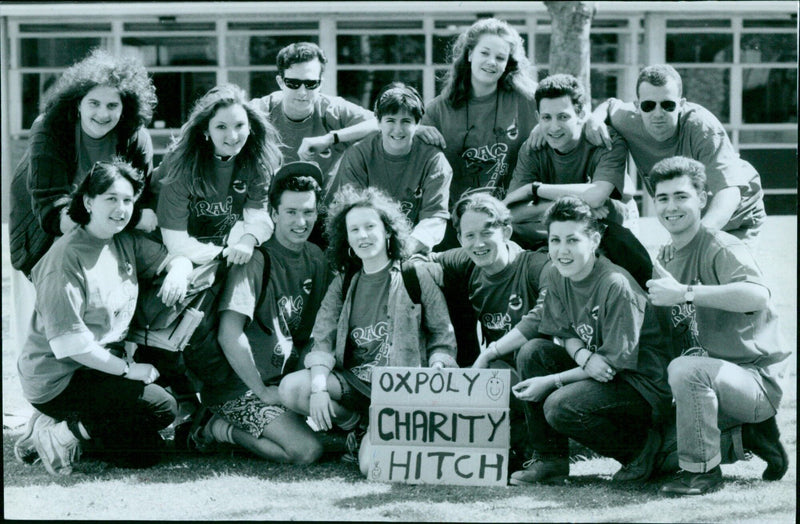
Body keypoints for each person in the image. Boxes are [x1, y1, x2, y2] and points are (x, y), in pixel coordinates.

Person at [14, 160, 192, 475]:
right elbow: (72, 346)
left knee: (151, 437)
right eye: (110, 198)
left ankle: (71, 430)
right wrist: (128, 370)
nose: (121, 208)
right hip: (59, 378)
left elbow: (173, 259)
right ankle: (56, 432)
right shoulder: (64, 259)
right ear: (87, 201)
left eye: (127, 200)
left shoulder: (123, 238)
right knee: (154, 425)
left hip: (97, 367)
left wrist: (179, 269)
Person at [278, 186, 457, 463]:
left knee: (371, 465)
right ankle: (355, 427)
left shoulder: (414, 274)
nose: (363, 236)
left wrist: (435, 371)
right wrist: (319, 389)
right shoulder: (344, 282)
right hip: (355, 385)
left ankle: (373, 434)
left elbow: (442, 336)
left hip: (401, 387)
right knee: (292, 388)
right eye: (355, 230)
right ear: (346, 239)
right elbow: (322, 338)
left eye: (370, 226)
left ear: (387, 231)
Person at [645, 156, 789, 495]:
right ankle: (748, 437)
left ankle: (703, 474)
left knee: (685, 369)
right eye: (663, 198)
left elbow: (756, 296)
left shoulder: (721, 245)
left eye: (681, 196)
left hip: (754, 380)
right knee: (657, 458)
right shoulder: (665, 257)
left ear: (702, 198)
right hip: (708, 384)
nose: (671, 206)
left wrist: (686, 292)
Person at [508, 196, 672, 486]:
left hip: (640, 384)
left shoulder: (615, 284)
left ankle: (641, 451)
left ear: (594, 240)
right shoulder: (559, 276)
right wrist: (583, 356)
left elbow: (611, 365)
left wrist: (550, 381)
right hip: (600, 368)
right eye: (555, 240)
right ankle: (550, 461)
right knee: (532, 352)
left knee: (560, 406)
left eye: (572, 240)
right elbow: (563, 332)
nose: (561, 251)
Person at [9, 48, 158, 355]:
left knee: (110, 298)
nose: (102, 114)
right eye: (94, 103)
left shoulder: (135, 135)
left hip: (100, 221)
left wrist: (125, 217)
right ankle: (47, 384)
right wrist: (124, 217)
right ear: (77, 103)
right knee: (53, 305)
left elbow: (139, 200)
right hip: (44, 225)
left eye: (112, 105)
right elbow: (54, 211)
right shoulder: (50, 128)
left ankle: (109, 364)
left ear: (125, 107)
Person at [184, 161, 332, 463]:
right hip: (241, 386)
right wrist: (263, 392)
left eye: (308, 212)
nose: (301, 221)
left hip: (283, 381)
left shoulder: (316, 258)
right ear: (274, 214)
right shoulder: (255, 260)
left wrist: (308, 385)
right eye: (291, 212)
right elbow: (229, 335)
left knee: (328, 429)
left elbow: (311, 333)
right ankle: (215, 427)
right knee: (307, 451)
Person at [411, 192, 550, 470]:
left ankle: (545, 449)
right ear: (460, 239)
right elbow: (413, 261)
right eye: (469, 236)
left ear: (506, 231)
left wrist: (490, 353)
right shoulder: (466, 261)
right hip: (500, 374)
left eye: (487, 232)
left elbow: (543, 314)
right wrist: (425, 268)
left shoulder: (535, 265)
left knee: (524, 355)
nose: (479, 243)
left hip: (547, 371)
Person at [582, 64, 766, 246]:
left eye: (668, 105)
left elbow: (729, 193)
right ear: (638, 106)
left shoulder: (703, 128)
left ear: (681, 104)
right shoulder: (627, 119)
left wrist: (696, 239)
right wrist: (594, 118)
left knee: (727, 272)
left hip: (737, 216)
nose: (658, 113)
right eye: (649, 106)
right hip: (690, 222)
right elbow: (610, 105)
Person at [502, 73, 652, 289]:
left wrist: (534, 189)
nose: (554, 127)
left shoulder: (605, 139)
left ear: (581, 113)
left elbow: (598, 195)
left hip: (609, 225)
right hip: (560, 226)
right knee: (508, 238)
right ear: (537, 117)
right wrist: (576, 206)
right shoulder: (533, 147)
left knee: (625, 251)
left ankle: (650, 305)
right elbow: (510, 213)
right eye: (546, 118)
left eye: (563, 117)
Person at [416, 17, 538, 250]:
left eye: (500, 58)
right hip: (459, 226)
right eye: (485, 53)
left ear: (508, 64)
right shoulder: (439, 109)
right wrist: (416, 130)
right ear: (469, 54)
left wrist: (593, 122)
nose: (492, 62)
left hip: (512, 222)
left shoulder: (527, 99)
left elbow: (569, 111)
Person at [156, 83, 281, 266]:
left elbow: (258, 217)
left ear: (250, 126)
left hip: (214, 250)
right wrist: (223, 254)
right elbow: (175, 241)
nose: (232, 136)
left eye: (239, 125)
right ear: (206, 129)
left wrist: (248, 240)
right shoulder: (181, 163)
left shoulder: (256, 163)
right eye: (221, 127)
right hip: (165, 252)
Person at [332, 82, 452, 254]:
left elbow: (434, 216)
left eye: (406, 121)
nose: (398, 129)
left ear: (418, 124)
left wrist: (403, 249)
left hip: (414, 251)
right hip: (368, 248)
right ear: (379, 122)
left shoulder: (433, 160)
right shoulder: (359, 154)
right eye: (390, 120)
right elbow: (354, 214)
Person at [250, 42, 378, 196]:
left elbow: (381, 123)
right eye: (293, 83)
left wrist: (330, 138)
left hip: (325, 209)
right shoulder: (263, 110)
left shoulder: (333, 110)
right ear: (280, 82)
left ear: (320, 84)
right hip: (275, 209)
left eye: (311, 84)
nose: (302, 92)